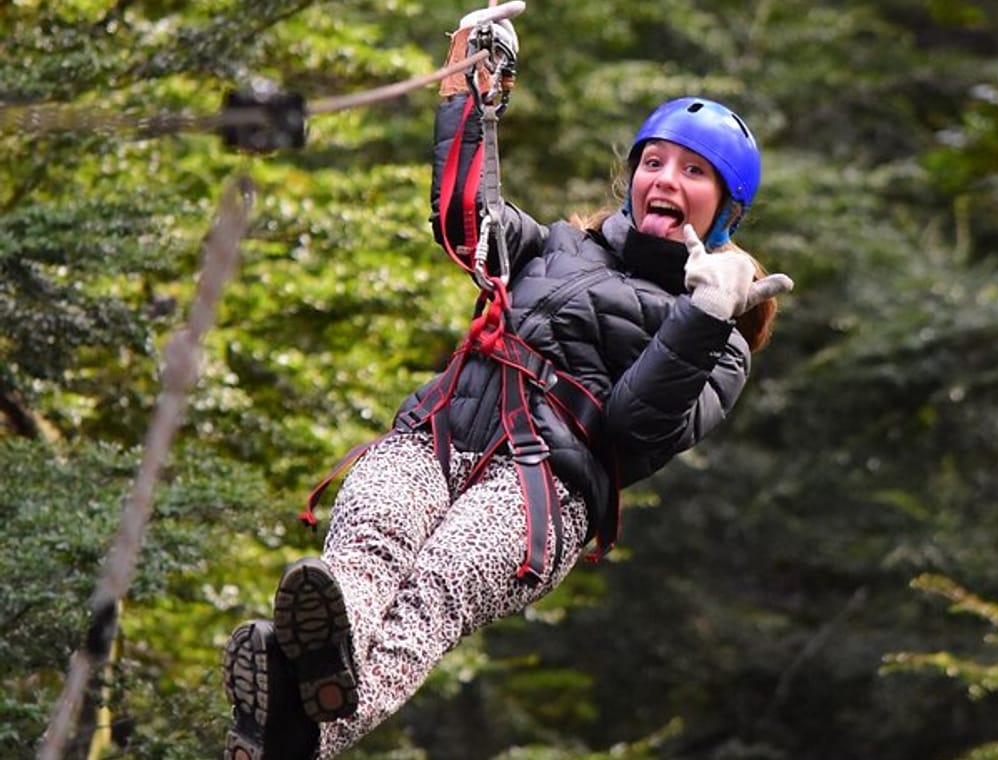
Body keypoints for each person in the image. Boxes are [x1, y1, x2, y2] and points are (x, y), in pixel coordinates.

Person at [220, 6, 793, 759]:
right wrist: (472, 95)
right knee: (367, 546)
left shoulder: (721, 339)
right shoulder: (560, 245)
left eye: (694, 172)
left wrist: (703, 312)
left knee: (434, 590)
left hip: (538, 489)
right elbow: (468, 223)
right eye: (654, 162)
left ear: (726, 209)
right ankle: (301, 702)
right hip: (439, 431)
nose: (666, 179)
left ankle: (302, 733)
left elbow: (633, 428)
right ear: (632, 177)